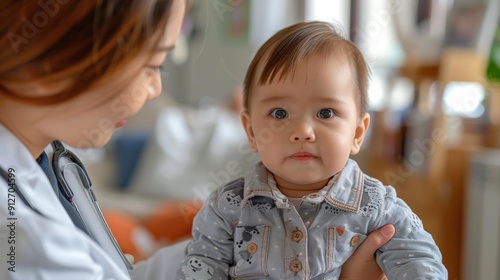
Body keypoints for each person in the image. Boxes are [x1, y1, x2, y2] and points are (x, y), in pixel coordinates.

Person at [0, 1, 394, 279]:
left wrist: (231, 252)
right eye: (153, 64)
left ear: (359, 129)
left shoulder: (44, 163)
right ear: (52, 56)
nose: (156, 88)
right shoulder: (22, 239)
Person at [176, 21, 448, 279]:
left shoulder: (376, 207)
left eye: (325, 112)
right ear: (251, 132)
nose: (303, 131)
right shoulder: (228, 208)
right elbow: (200, 269)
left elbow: (420, 262)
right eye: (280, 113)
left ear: (357, 133)